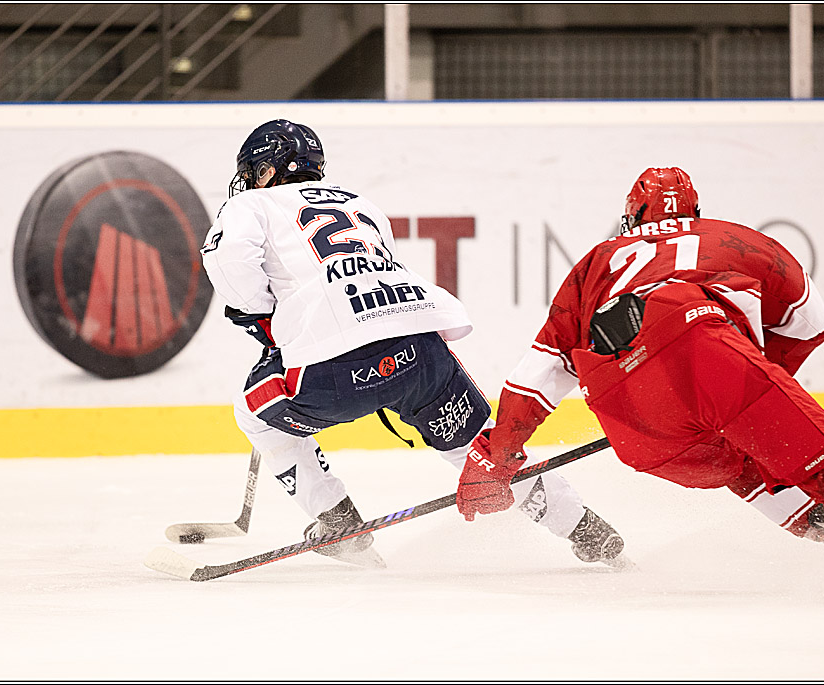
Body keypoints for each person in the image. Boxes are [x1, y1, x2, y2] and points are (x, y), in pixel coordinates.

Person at [457, 167, 824, 582]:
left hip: (626, 410)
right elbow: (812, 323)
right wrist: (751, 378)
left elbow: (540, 373)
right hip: (707, 342)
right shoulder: (735, 239)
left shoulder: (596, 263)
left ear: (630, 218)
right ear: (695, 214)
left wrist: (498, 455)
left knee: (737, 466)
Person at [200, 119, 629, 568]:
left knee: (253, 413)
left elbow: (232, 268)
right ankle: (586, 528)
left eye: (253, 173)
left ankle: (337, 523)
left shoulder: (248, 206)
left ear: (267, 172)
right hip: (420, 353)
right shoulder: (358, 202)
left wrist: (266, 315)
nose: (248, 182)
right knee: (482, 451)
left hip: (334, 368)